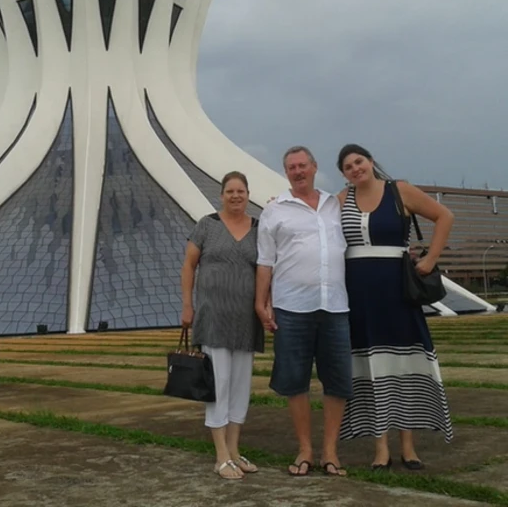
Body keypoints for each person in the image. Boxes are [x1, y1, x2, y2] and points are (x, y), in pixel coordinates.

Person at [336, 143, 454, 470]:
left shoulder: (399, 190)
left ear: (371, 161)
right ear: (344, 174)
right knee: (371, 367)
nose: (355, 169)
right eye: (348, 166)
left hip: (397, 292)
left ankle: (408, 445)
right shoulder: (341, 200)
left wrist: (431, 257)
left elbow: (445, 216)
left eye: (359, 161)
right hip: (358, 294)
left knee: (404, 364)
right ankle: (380, 448)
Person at [255, 146, 352, 477]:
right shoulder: (275, 210)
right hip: (291, 306)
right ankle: (305, 449)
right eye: (291, 167)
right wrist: (261, 301)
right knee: (295, 381)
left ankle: (330, 451)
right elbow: (265, 261)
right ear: (286, 173)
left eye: (302, 165)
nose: (297, 171)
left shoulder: (334, 205)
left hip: (335, 305)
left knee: (337, 381)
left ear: (314, 167)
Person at [181, 170, 265, 480]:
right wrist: (188, 305)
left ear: (247, 194)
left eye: (241, 191)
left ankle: (233, 449)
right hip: (214, 317)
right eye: (230, 191)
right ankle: (220, 456)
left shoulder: (258, 228)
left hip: (245, 320)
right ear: (222, 195)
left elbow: (265, 270)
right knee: (219, 385)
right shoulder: (207, 225)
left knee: (240, 387)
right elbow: (189, 265)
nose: (236, 196)